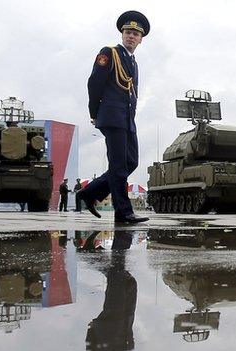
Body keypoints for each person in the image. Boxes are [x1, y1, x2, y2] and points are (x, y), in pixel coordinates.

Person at [77, 10, 150, 224]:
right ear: (122, 33)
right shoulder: (109, 53)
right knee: (119, 166)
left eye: (135, 34)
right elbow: (94, 83)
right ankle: (123, 212)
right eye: (128, 32)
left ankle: (89, 193)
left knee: (131, 162)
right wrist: (94, 112)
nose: (131, 36)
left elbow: (132, 92)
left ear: (141, 39)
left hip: (127, 119)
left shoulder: (133, 62)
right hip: (111, 116)